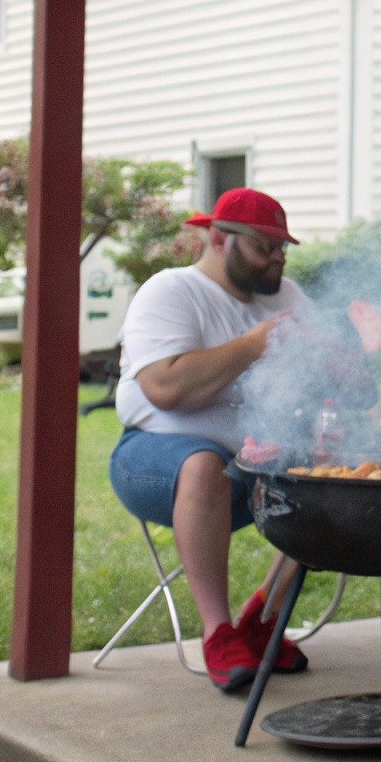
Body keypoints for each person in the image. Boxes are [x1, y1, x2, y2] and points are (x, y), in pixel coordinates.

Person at [109, 187, 317, 692]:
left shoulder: (288, 297)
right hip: (155, 461)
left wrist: (341, 362)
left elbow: (332, 383)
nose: (277, 259)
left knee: (329, 473)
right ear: (221, 239)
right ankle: (218, 634)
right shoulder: (171, 290)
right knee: (204, 465)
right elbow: (165, 389)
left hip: (253, 468)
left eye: (282, 248)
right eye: (265, 246)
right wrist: (254, 345)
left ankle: (262, 621)